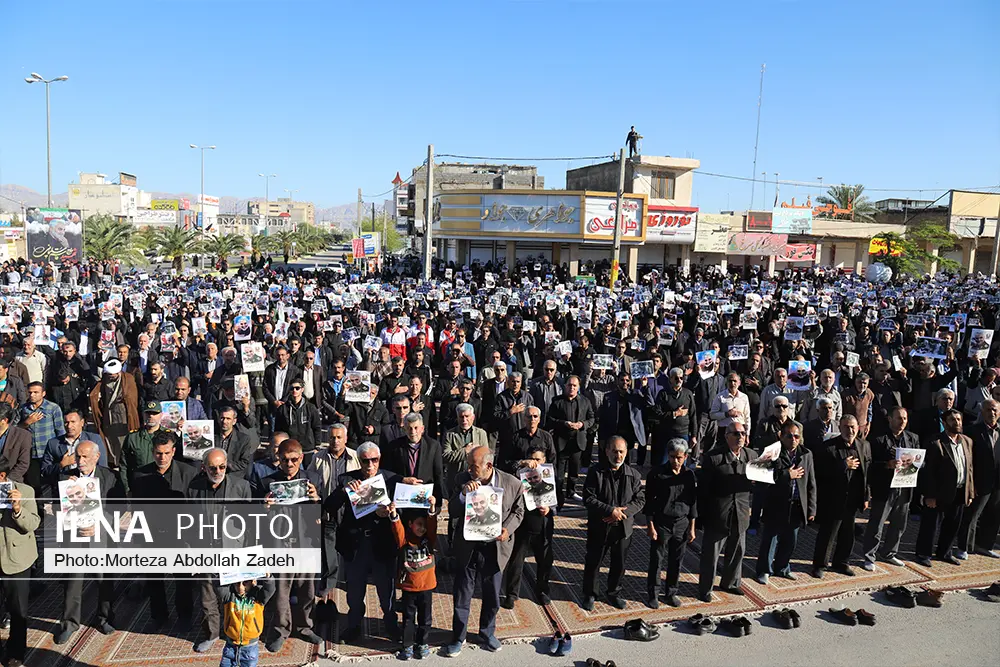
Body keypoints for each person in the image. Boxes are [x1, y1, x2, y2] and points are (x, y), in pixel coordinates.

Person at [443, 446, 524, 657]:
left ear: (489, 466)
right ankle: (458, 637)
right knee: (462, 594)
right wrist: (462, 495)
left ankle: (487, 632)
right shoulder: (462, 479)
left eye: (474, 466)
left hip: (494, 547)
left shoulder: (511, 483)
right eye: (468, 465)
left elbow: (518, 510)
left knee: (492, 595)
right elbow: (452, 510)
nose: (469, 469)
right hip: (468, 546)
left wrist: (508, 529)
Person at [326, 442, 401, 644]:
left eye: (374, 460)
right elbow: (329, 505)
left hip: (382, 543)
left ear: (379, 459)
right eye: (365, 461)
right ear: (359, 461)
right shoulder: (347, 479)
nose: (370, 465)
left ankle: (392, 624)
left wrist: (390, 513)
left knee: (386, 590)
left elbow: (402, 507)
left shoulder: (391, 479)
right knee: (355, 591)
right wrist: (343, 491)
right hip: (356, 545)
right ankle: (354, 626)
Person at [54, 441, 121, 645]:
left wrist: (100, 524)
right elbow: (58, 509)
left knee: (104, 580)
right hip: (75, 539)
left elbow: (119, 507)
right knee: (72, 582)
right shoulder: (67, 478)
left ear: (96, 456)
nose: (80, 461)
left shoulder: (110, 477)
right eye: (78, 457)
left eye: (85, 457)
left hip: (100, 538)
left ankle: (104, 618)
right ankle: (69, 623)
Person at [186, 448, 252, 654]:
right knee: (207, 597)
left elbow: (250, 523)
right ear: (204, 467)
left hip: (234, 549)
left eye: (222, 466)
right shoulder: (194, 488)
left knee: (235, 594)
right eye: (213, 467)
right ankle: (212, 634)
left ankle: (236, 633)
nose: (218, 471)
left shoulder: (241, 486)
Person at [261, 439, 323, 651]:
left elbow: (325, 514)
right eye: (285, 460)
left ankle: (305, 627)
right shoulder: (267, 482)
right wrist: (265, 508)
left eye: (294, 459)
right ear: (278, 459)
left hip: (306, 544)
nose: (289, 464)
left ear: (301, 458)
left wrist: (316, 499)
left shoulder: (312, 479)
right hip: (281, 544)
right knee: (281, 593)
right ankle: (281, 630)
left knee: (307, 591)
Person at [580, 436, 645, 611]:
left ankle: (614, 593)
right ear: (607, 451)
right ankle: (590, 594)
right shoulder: (596, 472)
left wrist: (621, 513)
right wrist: (610, 510)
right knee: (594, 561)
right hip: (599, 525)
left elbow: (640, 500)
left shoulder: (634, 475)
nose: (618, 455)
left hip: (623, 528)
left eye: (621, 452)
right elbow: (588, 498)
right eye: (615, 451)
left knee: (619, 563)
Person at [697, 421, 758, 601]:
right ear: (726, 436)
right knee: (711, 555)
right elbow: (703, 490)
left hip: (740, 512)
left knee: (737, 550)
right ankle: (705, 589)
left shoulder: (751, 455)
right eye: (735, 433)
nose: (740, 437)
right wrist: (701, 517)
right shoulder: (713, 457)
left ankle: (730, 583)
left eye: (742, 433)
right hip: (718, 515)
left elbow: (759, 483)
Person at [755, 421, 816, 584]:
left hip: (796, 504)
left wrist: (811, 508)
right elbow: (758, 476)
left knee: (790, 540)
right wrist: (786, 475)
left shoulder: (806, 454)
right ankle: (764, 570)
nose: (793, 439)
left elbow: (811, 482)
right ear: (780, 436)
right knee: (770, 539)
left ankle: (782, 568)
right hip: (775, 503)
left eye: (796, 436)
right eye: (789, 436)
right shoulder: (771, 452)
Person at [812, 414, 871, 578]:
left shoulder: (864, 445)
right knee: (828, 534)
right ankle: (819, 565)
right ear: (839, 428)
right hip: (833, 498)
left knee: (848, 533)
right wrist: (843, 465)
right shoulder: (828, 447)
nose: (850, 430)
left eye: (853, 427)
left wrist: (866, 496)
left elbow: (867, 474)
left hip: (853, 498)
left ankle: (842, 562)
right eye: (846, 427)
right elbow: (820, 472)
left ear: (858, 428)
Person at [862, 406, 920, 570]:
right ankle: (869, 556)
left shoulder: (912, 438)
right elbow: (870, 466)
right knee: (877, 524)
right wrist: (887, 465)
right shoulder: (879, 439)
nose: (902, 422)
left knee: (899, 523)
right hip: (884, 488)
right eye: (899, 418)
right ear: (890, 419)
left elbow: (920, 461)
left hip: (905, 486)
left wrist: (916, 464)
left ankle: (889, 553)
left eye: (905, 418)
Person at [915, 409, 975, 567]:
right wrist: (929, 495)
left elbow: (969, 468)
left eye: (959, 419)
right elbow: (928, 472)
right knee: (931, 525)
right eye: (953, 420)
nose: (957, 423)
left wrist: (969, 492)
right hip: (939, 492)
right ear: (944, 422)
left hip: (960, 490)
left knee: (953, 525)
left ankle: (944, 552)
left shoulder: (967, 441)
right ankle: (923, 553)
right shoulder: (935, 442)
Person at [643, 438, 696, 608]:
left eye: (679, 457)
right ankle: (653, 594)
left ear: (686, 457)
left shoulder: (689, 475)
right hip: (662, 523)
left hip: (681, 523)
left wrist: (692, 527)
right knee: (657, 560)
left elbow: (693, 502)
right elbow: (649, 502)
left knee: (676, 561)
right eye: (672, 457)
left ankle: (671, 592)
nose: (675, 461)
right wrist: (650, 525)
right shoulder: (657, 474)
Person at [501, 445, 555, 608]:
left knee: (544, 560)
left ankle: (543, 591)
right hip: (523, 524)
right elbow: (507, 468)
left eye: (538, 460)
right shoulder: (519, 474)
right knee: (516, 561)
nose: (534, 463)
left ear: (544, 460)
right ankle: (511, 594)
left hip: (543, 523)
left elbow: (557, 496)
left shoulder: (550, 474)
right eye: (532, 460)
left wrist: (550, 508)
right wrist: (522, 464)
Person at [389, 496, 439, 661]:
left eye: (424, 525)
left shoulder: (429, 538)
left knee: (426, 618)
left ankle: (422, 643)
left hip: (427, 586)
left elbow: (432, 525)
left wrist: (432, 508)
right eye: (419, 524)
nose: (422, 528)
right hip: (409, 587)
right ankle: (408, 645)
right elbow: (397, 528)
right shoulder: (405, 540)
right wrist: (394, 513)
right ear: (410, 524)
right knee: (409, 618)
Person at [0, 459, 39, 667]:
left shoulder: (25, 491)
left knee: (18, 610)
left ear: (2, 477)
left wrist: (17, 509)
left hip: (17, 560)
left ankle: (16, 653)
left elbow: (33, 523)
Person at [957, 399, 1000, 559]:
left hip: (997, 482)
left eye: (995, 410)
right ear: (982, 412)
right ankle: (964, 547)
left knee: (994, 515)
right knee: (972, 515)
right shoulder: (972, 431)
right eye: (988, 410)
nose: (992, 413)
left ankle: (985, 545)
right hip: (979, 480)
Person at [547, 376, 595, 506]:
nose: (572, 387)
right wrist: (564, 423)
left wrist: (582, 424)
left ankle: (571, 491)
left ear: (578, 387)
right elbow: (550, 419)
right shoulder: (557, 401)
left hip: (577, 441)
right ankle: (558, 494)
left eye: (574, 385)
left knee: (574, 470)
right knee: (559, 473)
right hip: (561, 442)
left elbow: (591, 418)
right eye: (569, 385)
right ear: (565, 386)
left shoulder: (585, 401)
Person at [90, 359, 141, 469]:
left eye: (112, 375)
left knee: (122, 440)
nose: (110, 377)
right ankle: (113, 463)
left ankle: (123, 463)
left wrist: (125, 399)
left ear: (118, 372)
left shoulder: (128, 379)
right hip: (108, 415)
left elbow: (132, 398)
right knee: (109, 440)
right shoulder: (104, 380)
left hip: (122, 416)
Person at [216, 576, 276, 667]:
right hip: (230, 647)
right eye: (237, 583)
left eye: (245, 583)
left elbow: (269, 589)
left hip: (250, 649)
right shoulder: (229, 596)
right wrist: (218, 572)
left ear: (253, 581)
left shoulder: (258, 596)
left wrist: (268, 577)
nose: (240, 587)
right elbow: (218, 585)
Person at [20, 381, 65, 494]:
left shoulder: (53, 408)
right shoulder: (23, 409)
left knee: (51, 482)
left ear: (43, 393)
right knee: (34, 484)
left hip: (48, 453)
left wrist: (62, 450)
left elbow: (60, 431)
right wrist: (27, 422)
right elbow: (15, 429)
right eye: (30, 392)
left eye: (36, 392)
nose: (32, 395)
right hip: (31, 453)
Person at [42, 408, 107, 481]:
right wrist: (61, 464)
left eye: (73, 422)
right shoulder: (53, 443)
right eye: (66, 422)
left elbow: (103, 466)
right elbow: (45, 471)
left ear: (82, 422)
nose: (69, 426)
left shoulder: (94, 439)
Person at [442, 404, 490, 496]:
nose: (464, 420)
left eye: (467, 416)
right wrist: (465, 451)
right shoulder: (449, 434)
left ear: (473, 417)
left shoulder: (481, 433)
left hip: (476, 481)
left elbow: (486, 457)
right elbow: (445, 456)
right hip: (456, 481)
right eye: (461, 417)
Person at [0, 403, 31, 484]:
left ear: (4, 420)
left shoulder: (22, 435)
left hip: (12, 482)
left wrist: (6, 480)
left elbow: (23, 463)